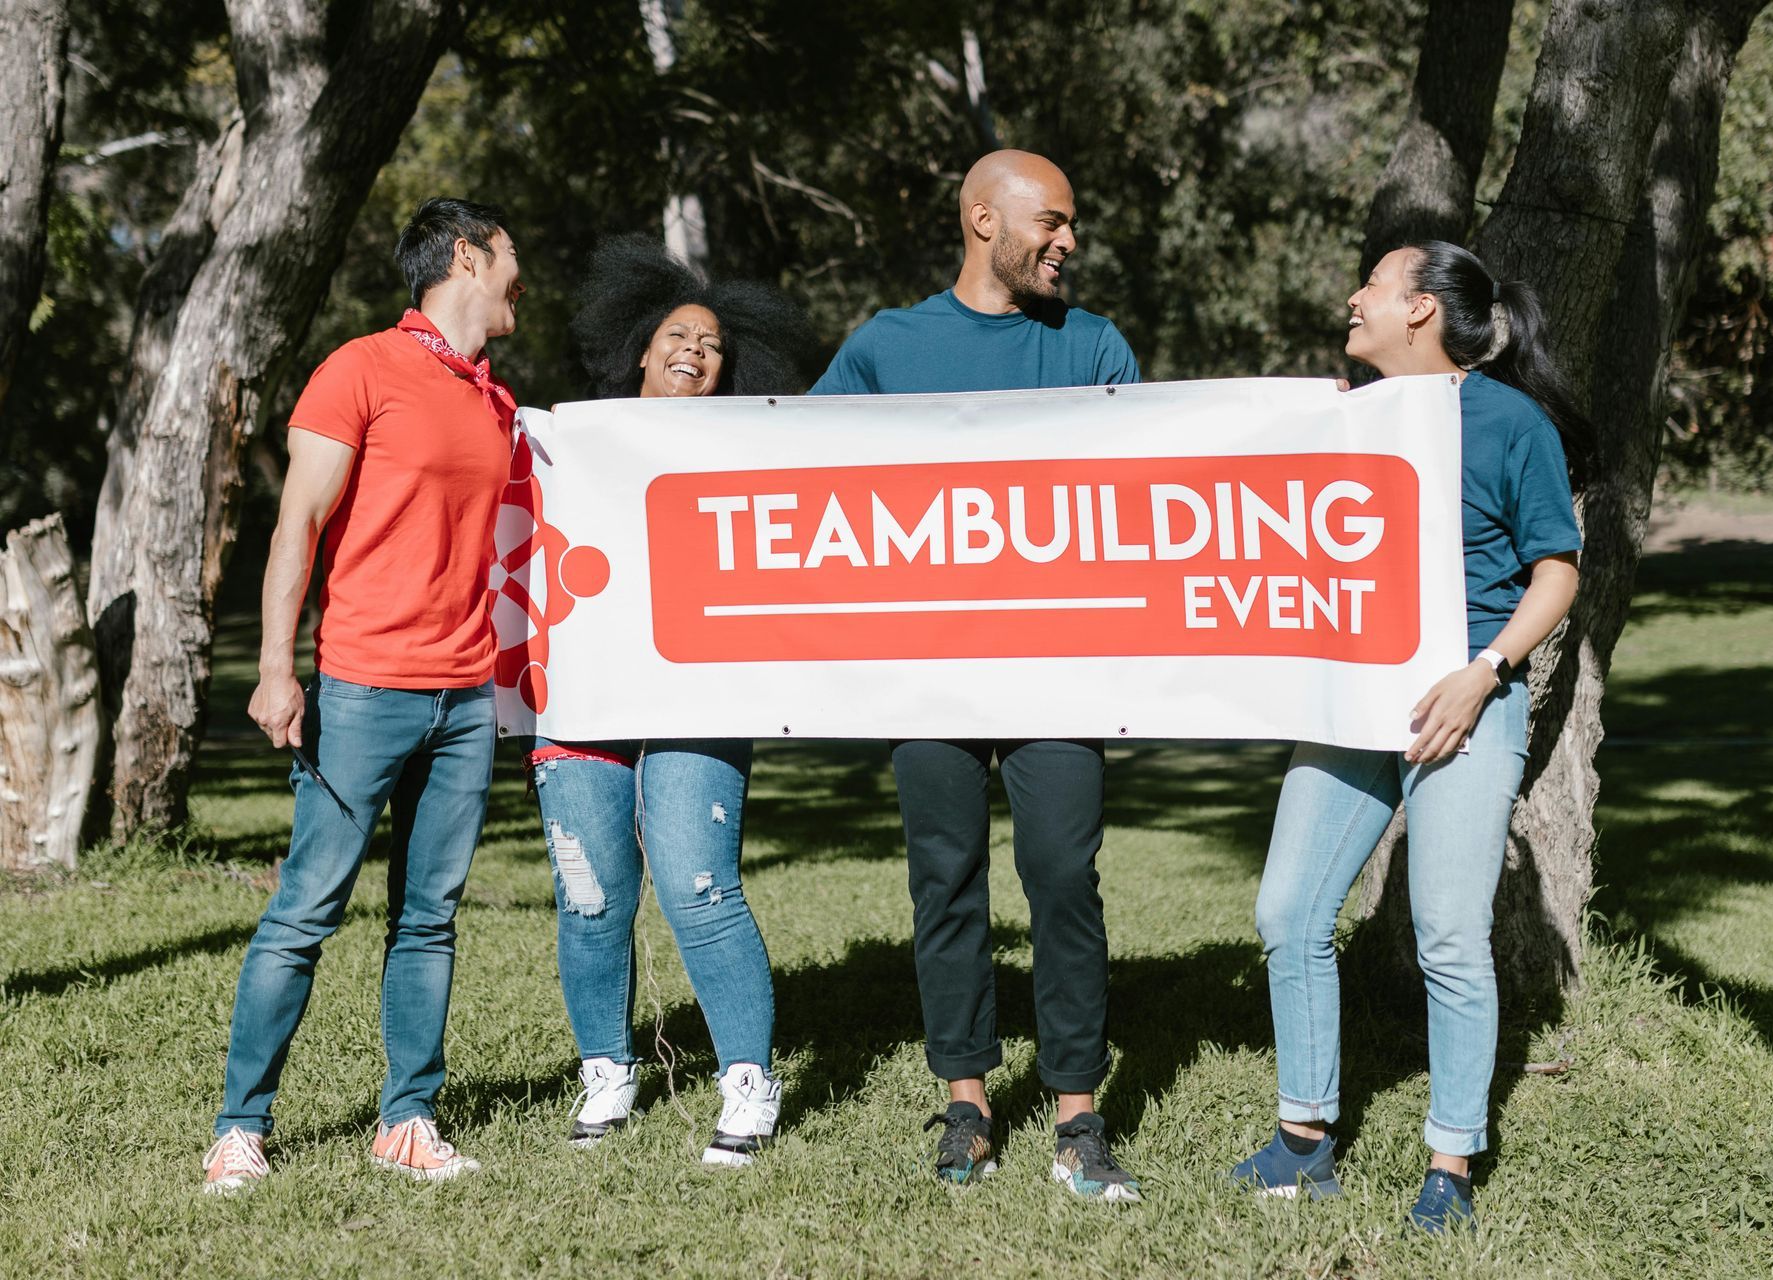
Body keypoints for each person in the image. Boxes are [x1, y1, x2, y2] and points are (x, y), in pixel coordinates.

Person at [1228, 241, 1586, 1232]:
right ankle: (1304, 1141)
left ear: (1421, 308)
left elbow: (1556, 568)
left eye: (1374, 285)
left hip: (1460, 697)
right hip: (1351, 699)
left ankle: (1451, 1161)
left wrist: (1485, 674)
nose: (1353, 296)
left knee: (1448, 935)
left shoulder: (1511, 421)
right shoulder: (1345, 416)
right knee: (1288, 909)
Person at [811, 150, 1145, 1201]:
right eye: (1050, 220)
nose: (1069, 241)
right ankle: (966, 1098)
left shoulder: (1093, 344)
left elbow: (1160, 480)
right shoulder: (887, 346)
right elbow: (780, 467)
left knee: (1062, 878)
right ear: (980, 220)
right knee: (945, 880)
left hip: (1061, 667)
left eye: (1071, 223)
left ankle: (1078, 1114)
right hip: (927, 670)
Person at [202, 197, 523, 1192]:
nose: (522, 277)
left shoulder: (493, 399)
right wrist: (274, 665)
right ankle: (240, 1127)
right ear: (468, 256)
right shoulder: (361, 368)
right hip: (364, 686)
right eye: (511, 257)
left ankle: (408, 1119)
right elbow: (296, 524)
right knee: (305, 909)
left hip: (464, 696)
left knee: (428, 916)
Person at [528, 235, 812, 1164]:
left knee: (699, 884)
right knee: (593, 897)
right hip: (582, 695)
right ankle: (606, 1072)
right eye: (679, 334)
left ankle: (746, 1081)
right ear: (641, 349)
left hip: (702, 693)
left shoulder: (753, 447)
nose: (696, 349)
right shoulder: (573, 442)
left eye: (715, 344)